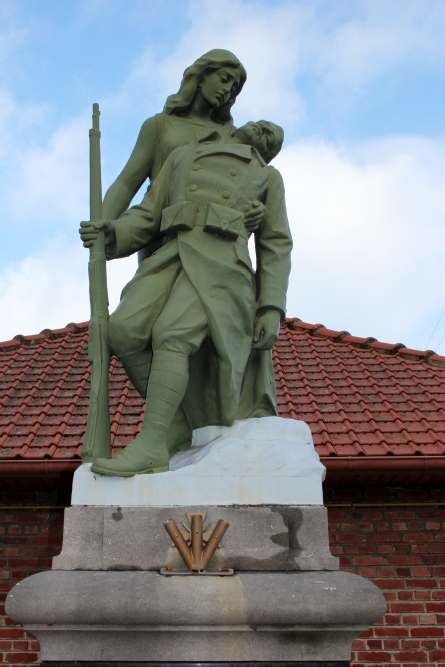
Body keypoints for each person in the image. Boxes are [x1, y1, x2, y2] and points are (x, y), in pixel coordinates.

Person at [80, 120, 292, 477]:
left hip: (221, 266)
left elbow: (276, 243)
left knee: (171, 334)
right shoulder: (183, 156)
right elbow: (148, 214)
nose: (263, 129)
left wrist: (271, 306)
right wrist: (112, 232)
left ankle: (152, 444)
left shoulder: (267, 178)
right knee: (122, 330)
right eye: (262, 125)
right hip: (172, 256)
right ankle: (174, 421)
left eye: (271, 136)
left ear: (269, 152)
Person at [101, 49, 265, 258]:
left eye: (233, 89)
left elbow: (249, 183)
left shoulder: (231, 138)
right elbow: (126, 183)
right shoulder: (159, 126)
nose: (227, 91)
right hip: (162, 234)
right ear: (202, 75)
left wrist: (259, 209)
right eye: (224, 80)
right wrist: (102, 227)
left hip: (216, 243)